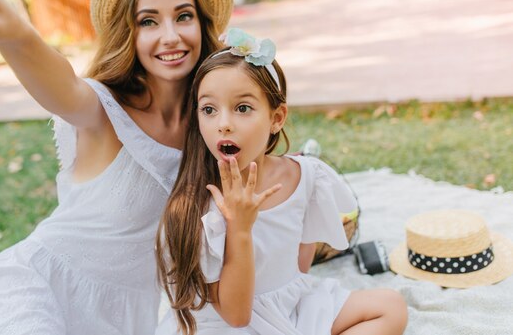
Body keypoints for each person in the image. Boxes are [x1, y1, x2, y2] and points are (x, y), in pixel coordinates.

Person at [0, 0, 233, 335]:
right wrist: (15, 34)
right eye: (148, 21)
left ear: (202, 24)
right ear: (129, 32)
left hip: (136, 318)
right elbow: (64, 87)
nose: (171, 36)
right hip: (39, 292)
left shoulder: (211, 125)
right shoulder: (103, 109)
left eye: (183, 16)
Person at [155, 28, 408, 335]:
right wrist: (239, 228)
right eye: (209, 109)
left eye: (243, 108)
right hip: (228, 323)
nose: (223, 124)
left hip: (290, 304)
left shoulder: (305, 176)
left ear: (276, 118)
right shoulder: (195, 205)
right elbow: (236, 316)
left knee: (391, 307)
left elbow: (301, 268)